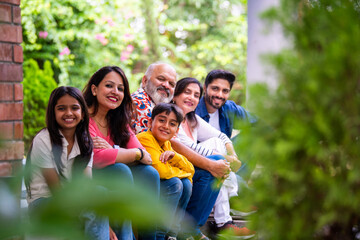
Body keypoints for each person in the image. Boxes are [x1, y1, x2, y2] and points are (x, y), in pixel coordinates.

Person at [132, 62, 230, 240]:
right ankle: (182, 231)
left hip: (161, 167)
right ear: (144, 80)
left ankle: (184, 229)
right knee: (183, 180)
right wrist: (204, 165)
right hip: (144, 170)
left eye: (171, 83)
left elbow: (171, 147)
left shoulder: (167, 110)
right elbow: (166, 146)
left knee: (190, 178)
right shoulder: (142, 103)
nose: (166, 85)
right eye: (161, 79)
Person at [83, 66, 160, 240]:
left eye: (120, 89)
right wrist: (129, 154)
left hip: (114, 174)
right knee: (120, 171)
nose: (115, 92)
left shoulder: (117, 121)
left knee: (149, 173)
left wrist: (113, 151)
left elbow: (146, 156)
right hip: (86, 176)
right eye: (109, 86)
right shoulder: (83, 119)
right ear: (94, 89)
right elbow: (95, 157)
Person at [173, 77, 254, 238]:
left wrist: (233, 155)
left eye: (196, 95)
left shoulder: (192, 119)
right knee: (217, 160)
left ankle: (224, 220)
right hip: (180, 167)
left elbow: (222, 136)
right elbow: (189, 148)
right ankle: (224, 219)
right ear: (175, 96)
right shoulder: (171, 116)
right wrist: (226, 159)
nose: (192, 97)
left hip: (199, 166)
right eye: (187, 92)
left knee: (216, 146)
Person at [25, 86, 110, 240]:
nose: (69, 113)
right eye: (61, 108)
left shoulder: (85, 142)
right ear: (53, 113)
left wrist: (104, 222)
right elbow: (57, 191)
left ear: (83, 114)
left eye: (75, 108)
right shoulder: (43, 140)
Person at [137, 103, 194, 240]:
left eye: (172, 124)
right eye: (161, 120)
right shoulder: (145, 138)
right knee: (175, 183)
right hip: (140, 189)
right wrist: (182, 171)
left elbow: (191, 169)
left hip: (157, 189)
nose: (166, 126)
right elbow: (161, 171)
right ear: (151, 122)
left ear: (177, 130)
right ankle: (160, 235)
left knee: (185, 184)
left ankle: (172, 235)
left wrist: (176, 157)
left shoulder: (166, 143)